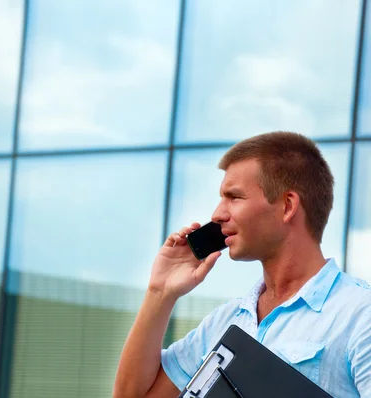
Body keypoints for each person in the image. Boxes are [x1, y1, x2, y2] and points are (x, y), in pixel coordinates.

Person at [113, 131, 371, 397]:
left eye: (234, 197)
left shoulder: (360, 315)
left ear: (287, 206)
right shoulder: (224, 322)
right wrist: (160, 292)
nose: (217, 214)